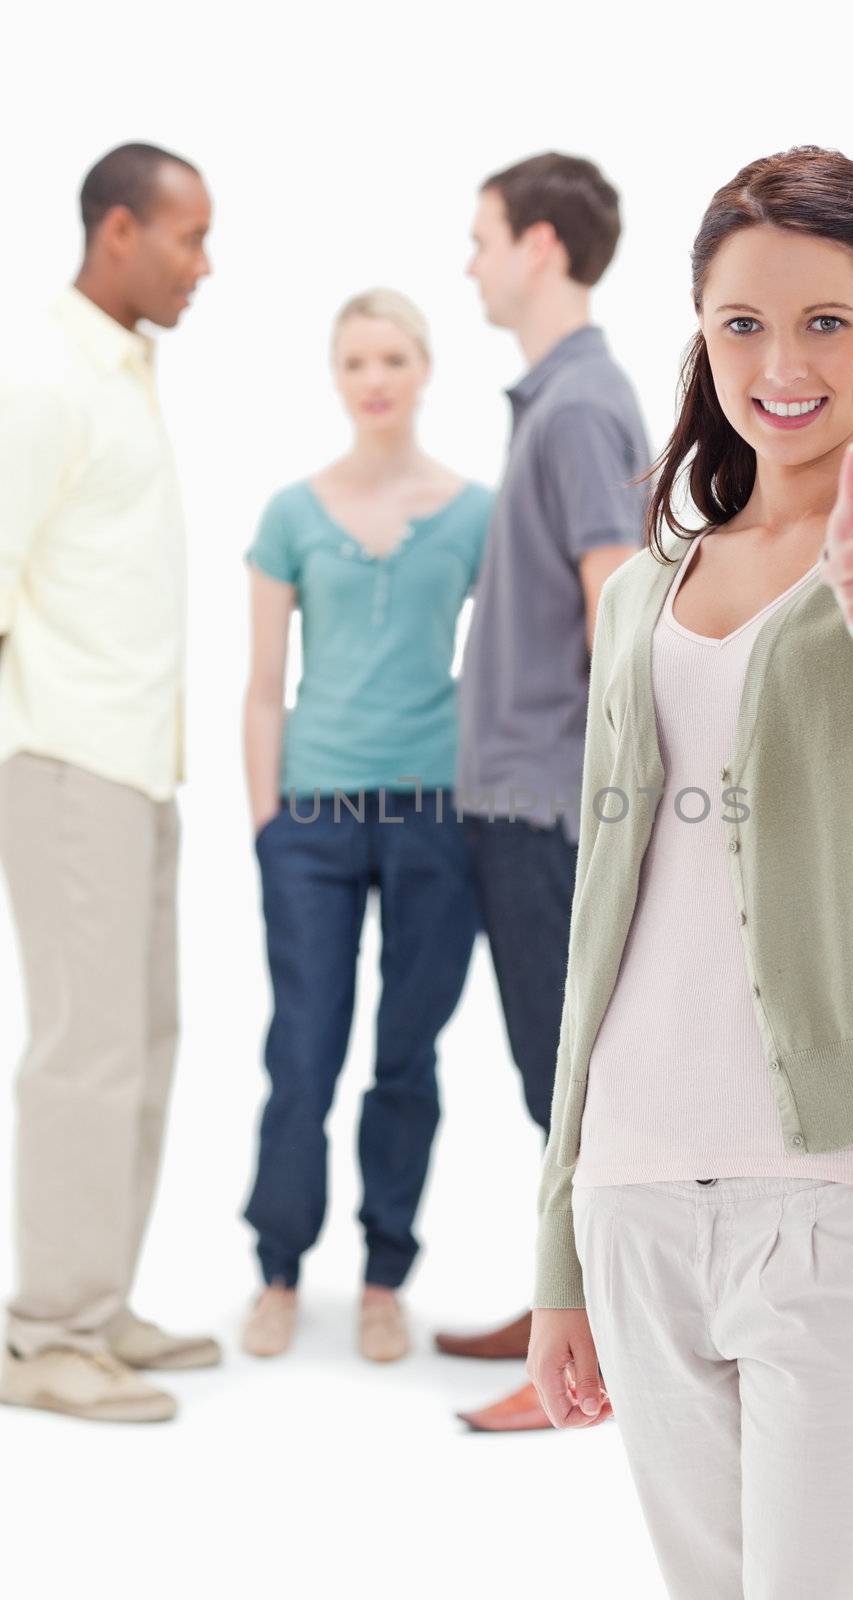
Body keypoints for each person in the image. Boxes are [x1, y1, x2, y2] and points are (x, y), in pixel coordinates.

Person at [527, 144, 853, 1597]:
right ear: (701, 329)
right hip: (633, 1201)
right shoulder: (641, 591)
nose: (781, 362)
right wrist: (560, 1240)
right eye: (742, 322)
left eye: (825, 321)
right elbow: (595, 935)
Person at [0, 142, 218, 1424]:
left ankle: (96, 1301)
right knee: (85, 1053)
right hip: (66, 758)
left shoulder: (123, 371)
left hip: (137, 763)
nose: (205, 264)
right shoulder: (44, 372)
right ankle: (47, 1336)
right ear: (120, 229)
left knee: (141, 1040)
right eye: (190, 238)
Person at [433, 153, 651, 1431]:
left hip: (549, 811)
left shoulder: (577, 407)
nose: (469, 260)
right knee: (544, 1076)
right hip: (509, 801)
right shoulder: (555, 400)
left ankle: (598, 1351)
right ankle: (565, 1302)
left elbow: (617, 626)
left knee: (569, 1084)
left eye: (481, 236)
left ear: (543, 247)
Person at [240, 289, 492, 1363]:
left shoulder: (477, 512)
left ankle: (385, 1274)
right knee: (304, 1050)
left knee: (407, 1052)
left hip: (437, 813)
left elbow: (518, 663)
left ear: (425, 368)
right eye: (355, 361)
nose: (375, 378)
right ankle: (279, 1269)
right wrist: (266, 825)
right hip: (313, 817)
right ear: (337, 378)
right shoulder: (292, 514)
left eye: (393, 356)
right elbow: (262, 687)